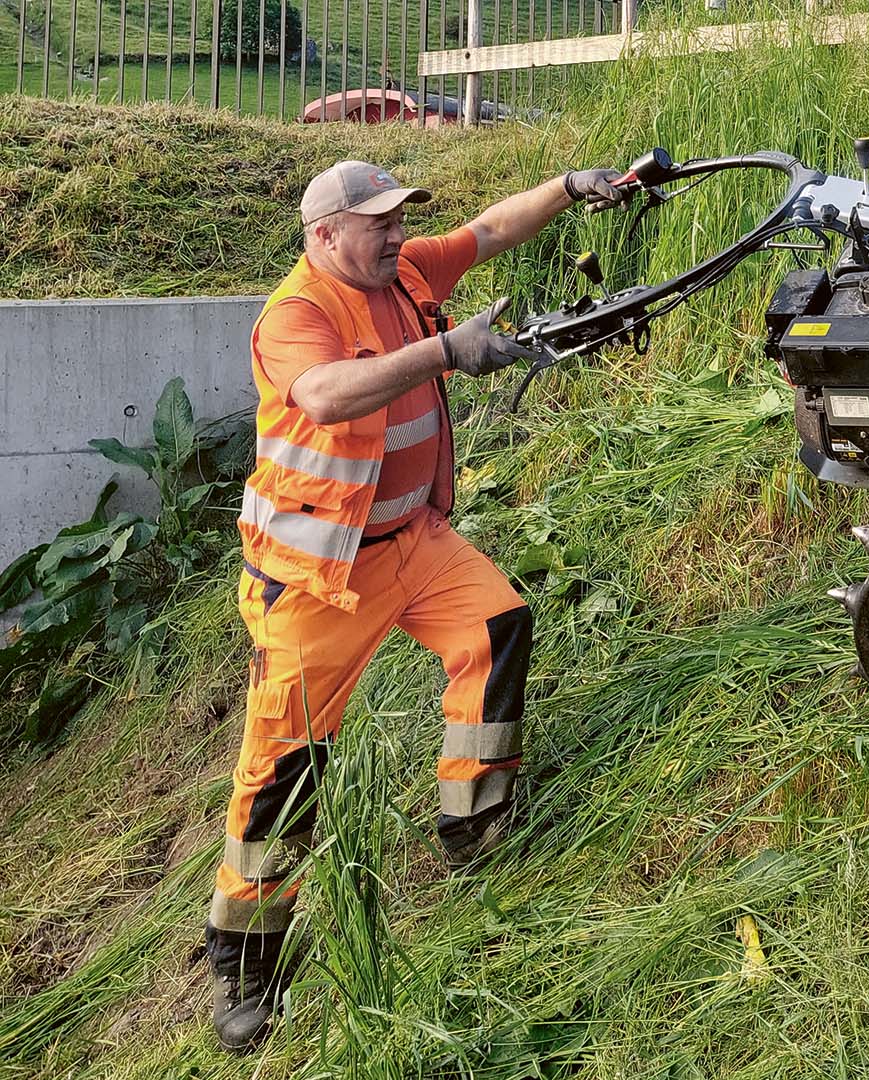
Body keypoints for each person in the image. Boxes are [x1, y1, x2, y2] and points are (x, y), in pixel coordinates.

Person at [204, 159, 632, 1052]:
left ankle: (474, 822)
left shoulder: (402, 273)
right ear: (324, 234)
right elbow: (322, 395)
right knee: (283, 773)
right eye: (380, 223)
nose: (399, 236)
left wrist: (568, 187)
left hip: (412, 542)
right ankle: (245, 965)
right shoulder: (297, 314)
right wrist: (445, 351)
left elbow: (491, 229)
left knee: (499, 625)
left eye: (401, 221)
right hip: (317, 581)